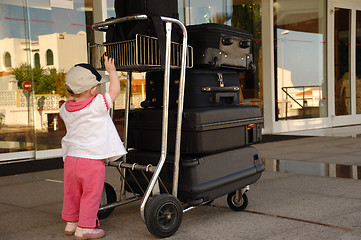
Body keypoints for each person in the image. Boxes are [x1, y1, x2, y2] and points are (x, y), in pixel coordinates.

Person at [60, 57, 126, 239]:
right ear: (92, 90)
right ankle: (86, 228)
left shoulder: (65, 108)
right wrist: (112, 71)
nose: (99, 89)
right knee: (90, 195)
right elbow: (114, 91)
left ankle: (71, 224)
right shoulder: (97, 105)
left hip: (72, 159)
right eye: (97, 86)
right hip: (91, 161)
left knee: (72, 193)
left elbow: (75, 100)